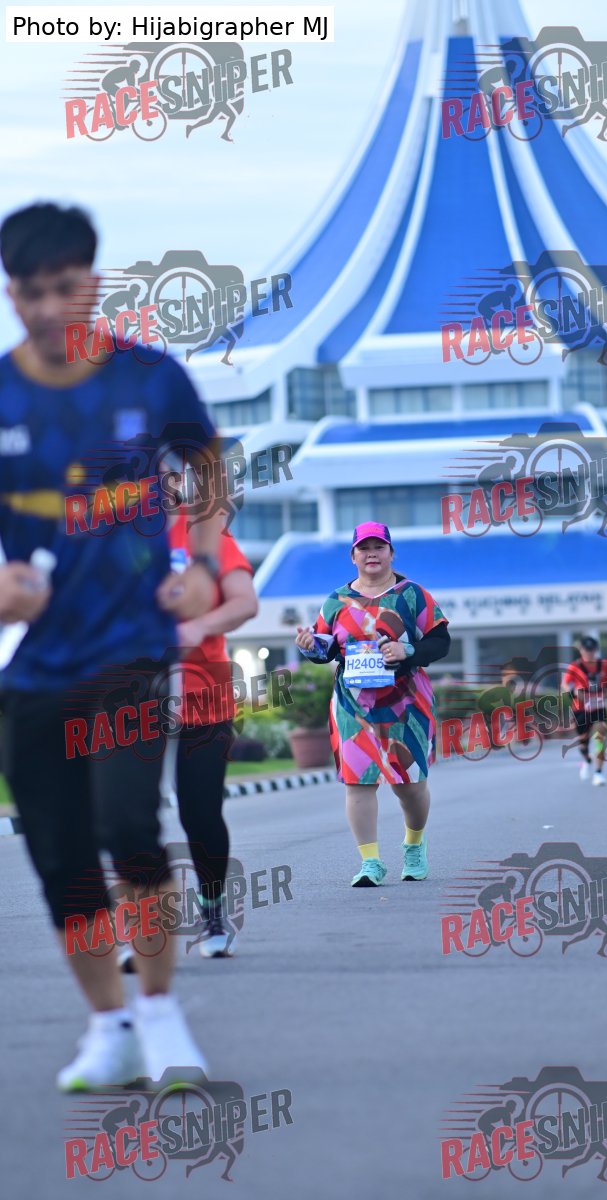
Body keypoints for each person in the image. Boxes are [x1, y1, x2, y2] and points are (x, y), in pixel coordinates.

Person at [0, 202, 225, 1090]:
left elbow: (207, 467)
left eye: (64, 288)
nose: (47, 309)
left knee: (129, 827)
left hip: (132, 648)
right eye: (27, 293)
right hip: (36, 666)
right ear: (10, 294)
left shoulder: (151, 378)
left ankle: (162, 1012)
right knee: (59, 857)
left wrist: (201, 566)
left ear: (93, 284)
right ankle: (110, 1025)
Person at [118, 507, 258, 969]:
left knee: (199, 813)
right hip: (132, 696)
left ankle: (213, 916)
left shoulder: (200, 532)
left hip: (202, 693)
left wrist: (199, 625)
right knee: (131, 817)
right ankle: (144, 927)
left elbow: (244, 602)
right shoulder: (110, 531)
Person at [295, 523, 450, 886]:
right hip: (353, 704)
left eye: (379, 547)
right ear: (353, 556)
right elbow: (326, 648)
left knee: (409, 786)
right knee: (358, 782)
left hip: (406, 702)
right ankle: (370, 862)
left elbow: (441, 642)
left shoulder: (411, 595)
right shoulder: (335, 601)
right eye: (363, 548)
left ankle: (414, 844)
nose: (372, 554)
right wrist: (310, 647)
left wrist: (406, 650)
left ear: (391, 553)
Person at [561, 637, 607, 786]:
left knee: (600, 737)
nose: (589, 653)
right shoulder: (575, 666)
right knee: (583, 742)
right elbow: (565, 684)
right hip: (580, 709)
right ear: (581, 650)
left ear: (596, 650)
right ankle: (587, 759)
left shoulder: (605, 665)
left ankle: (599, 773)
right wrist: (573, 692)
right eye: (586, 650)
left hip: (598, 707)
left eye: (592, 650)